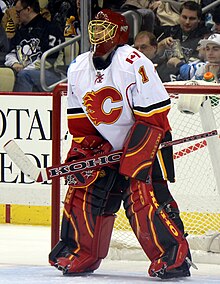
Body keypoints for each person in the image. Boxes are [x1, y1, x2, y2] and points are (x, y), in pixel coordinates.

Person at [48, 9, 193, 279]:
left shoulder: (134, 62)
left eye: (106, 27)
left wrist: (131, 152)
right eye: (96, 26)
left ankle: (173, 256)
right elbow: (80, 120)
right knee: (83, 190)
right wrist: (88, 149)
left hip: (146, 140)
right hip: (106, 145)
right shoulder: (79, 66)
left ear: (119, 33)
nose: (98, 32)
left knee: (143, 197)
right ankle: (80, 251)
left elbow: (155, 116)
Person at [4, 0, 64, 92]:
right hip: (23, 71)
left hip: (51, 73)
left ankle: (21, 106)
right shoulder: (21, 30)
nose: (16, 15)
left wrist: (24, 69)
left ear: (28, 9)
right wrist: (14, 64)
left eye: (18, 12)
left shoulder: (50, 28)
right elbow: (11, 52)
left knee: (24, 75)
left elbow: (49, 60)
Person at [155, 1, 210, 82]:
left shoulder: (206, 37)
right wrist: (161, 45)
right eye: (184, 17)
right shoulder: (169, 31)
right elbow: (152, 58)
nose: (187, 22)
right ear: (179, 16)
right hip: (162, 79)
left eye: (192, 19)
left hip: (189, 81)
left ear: (199, 20)